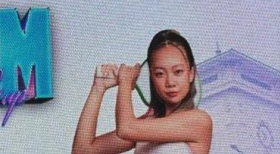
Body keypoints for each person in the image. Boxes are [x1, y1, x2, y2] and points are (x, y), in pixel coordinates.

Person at [72, 29, 212, 154]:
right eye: (160, 73)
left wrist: (125, 82)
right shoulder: (146, 125)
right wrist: (98, 87)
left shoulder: (199, 120)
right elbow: (82, 150)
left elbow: (125, 128)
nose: (170, 82)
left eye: (178, 71)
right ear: (151, 77)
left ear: (191, 73)